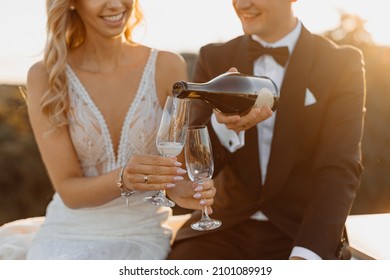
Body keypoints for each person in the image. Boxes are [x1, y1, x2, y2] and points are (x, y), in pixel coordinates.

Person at [168, 0, 366, 260]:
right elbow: (199, 162)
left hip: (301, 231)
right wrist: (224, 127)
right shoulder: (214, 57)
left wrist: (307, 256)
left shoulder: (341, 63)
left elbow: (339, 167)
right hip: (222, 228)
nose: (242, 4)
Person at [24, 0, 215, 260]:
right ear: (70, 4)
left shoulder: (167, 66)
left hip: (141, 235)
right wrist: (123, 179)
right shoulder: (46, 75)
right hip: (67, 233)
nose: (114, 4)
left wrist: (187, 192)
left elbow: (174, 175)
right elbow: (68, 190)